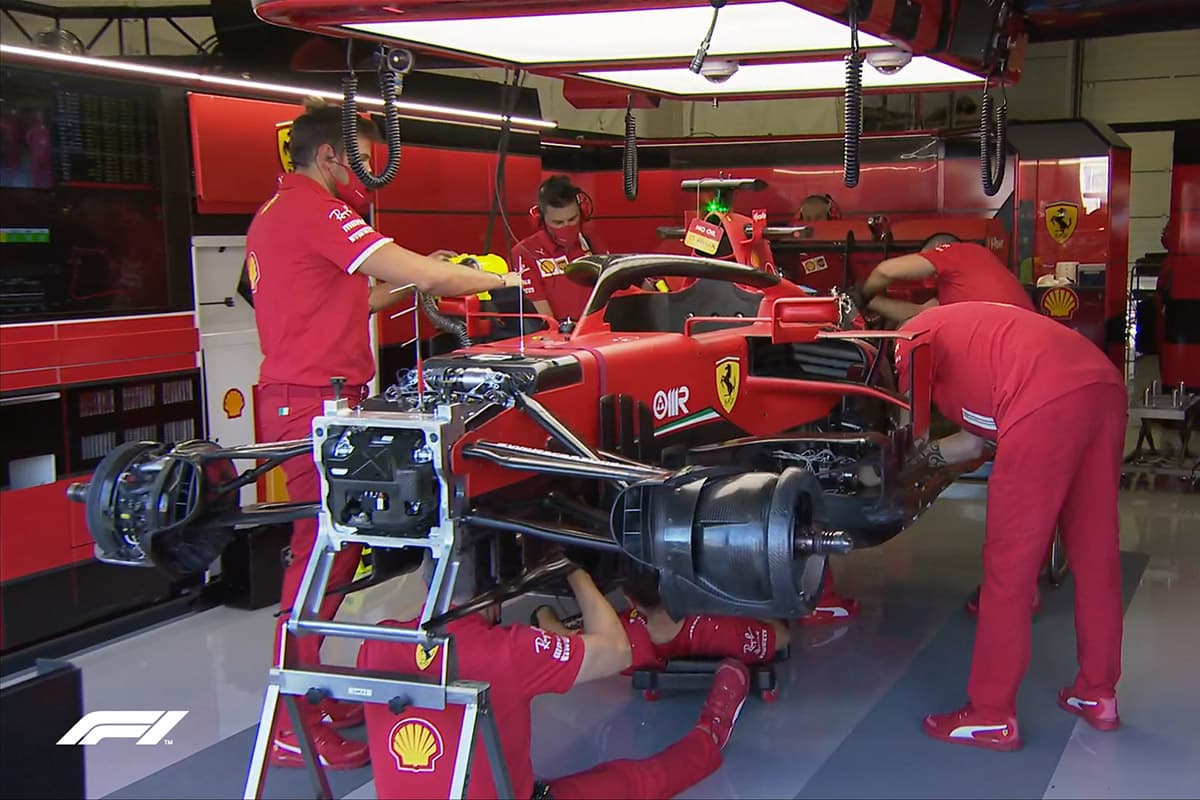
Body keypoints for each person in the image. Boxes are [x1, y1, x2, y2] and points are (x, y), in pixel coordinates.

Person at [247, 97, 523, 770]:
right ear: (329, 156)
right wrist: (499, 278)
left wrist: (418, 273)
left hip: (312, 398)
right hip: (310, 403)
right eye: (364, 162)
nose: (368, 176)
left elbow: (354, 297)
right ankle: (289, 718)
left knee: (336, 551)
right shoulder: (316, 210)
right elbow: (424, 276)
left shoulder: (278, 212)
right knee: (319, 554)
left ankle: (311, 690)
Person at [895, 301, 1126, 751]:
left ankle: (991, 713)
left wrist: (892, 468)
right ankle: (1098, 693)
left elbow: (910, 437)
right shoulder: (973, 337)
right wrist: (923, 461)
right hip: (1102, 386)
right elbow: (972, 443)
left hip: (1041, 397)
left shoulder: (908, 340)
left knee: (1010, 564)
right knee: (1095, 553)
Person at [358, 556, 751, 799]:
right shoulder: (508, 650)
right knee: (636, 782)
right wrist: (573, 568)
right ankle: (710, 734)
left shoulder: (375, 645)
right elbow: (617, 650)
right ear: (495, 592)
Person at [535, 564, 789, 666]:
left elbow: (561, 639)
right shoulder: (720, 627)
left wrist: (543, 611)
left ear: (629, 599)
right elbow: (783, 636)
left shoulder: (618, 640)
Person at [854, 237, 1034, 325]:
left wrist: (862, 293)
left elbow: (886, 271)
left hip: (1013, 340)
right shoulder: (963, 285)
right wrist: (866, 302)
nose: (928, 279)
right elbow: (918, 313)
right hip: (1027, 344)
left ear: (939, 247)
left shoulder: (964, 252)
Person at [512, 175, 603, 323]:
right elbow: (547, 321)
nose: (566, 226)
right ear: (540, 219)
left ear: (582, 213)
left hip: (597, 330)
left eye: (572, 219)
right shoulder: (524, 253)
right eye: (558, 222)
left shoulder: (592, 243)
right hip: (558, 333)